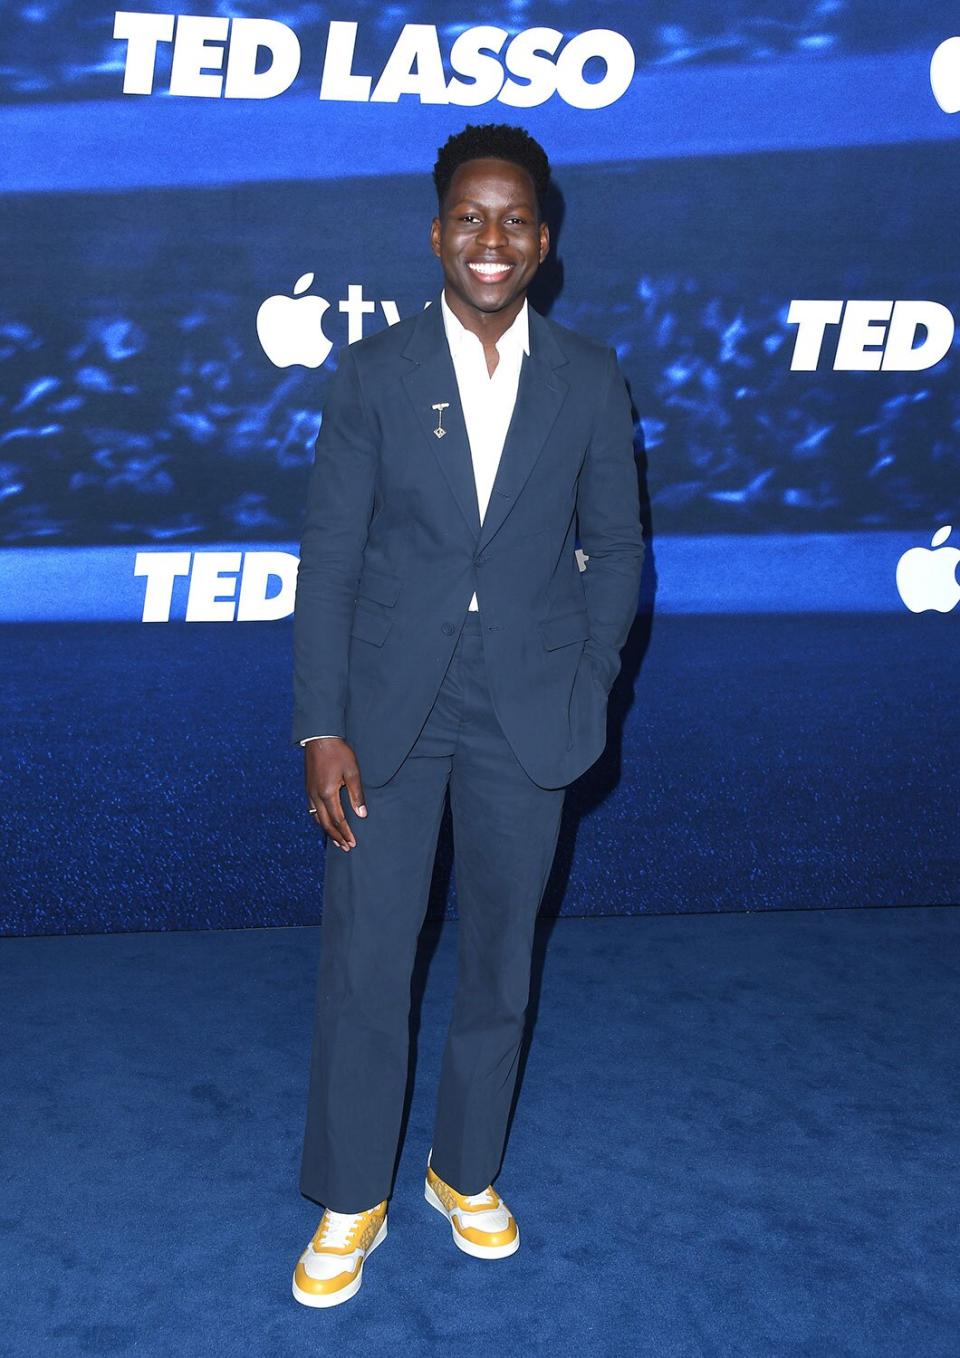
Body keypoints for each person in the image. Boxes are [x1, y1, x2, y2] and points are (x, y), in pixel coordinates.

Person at [290, 122, 644, 1308]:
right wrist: (319, 724)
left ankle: (462, 1170)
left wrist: (587, 679)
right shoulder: (375, 374)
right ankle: (353, 1196)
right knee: (368, 961)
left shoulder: (590, 378)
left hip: (530, 712)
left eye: (515, 220)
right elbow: (329, 560)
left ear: (544, 243)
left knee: (500, 956)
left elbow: (621, 550)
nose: (491, 239)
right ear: (436, 231)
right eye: (469, 217)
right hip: (391, 711)